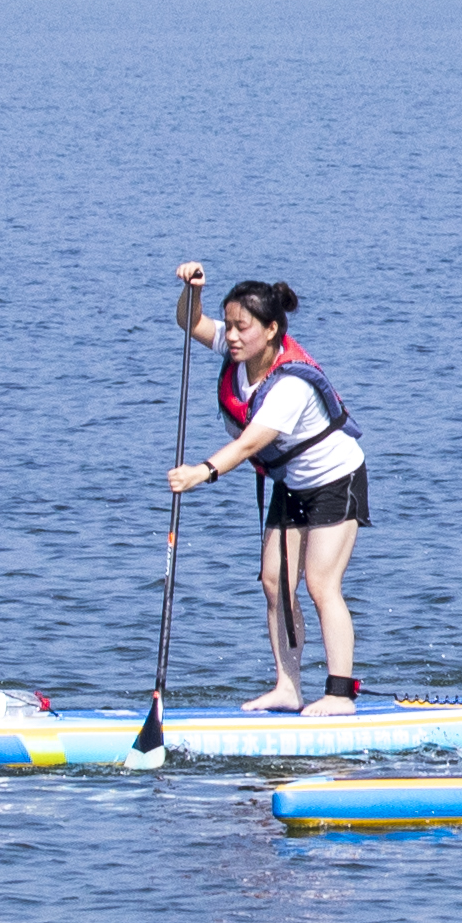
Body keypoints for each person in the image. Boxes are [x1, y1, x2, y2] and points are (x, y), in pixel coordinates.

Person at [169, 266, 369, 715]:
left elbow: (249, 444)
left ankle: (340, 695)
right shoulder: (239, 348)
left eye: (244, 328)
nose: (233, 337)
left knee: (320, 584)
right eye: (231, 325)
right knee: (274, 580)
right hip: (291, 482)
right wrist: (191, 292)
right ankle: (288, 686)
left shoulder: (290, 384)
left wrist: (200, 473)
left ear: (272, 329)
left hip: (336, 479)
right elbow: (189, 321)